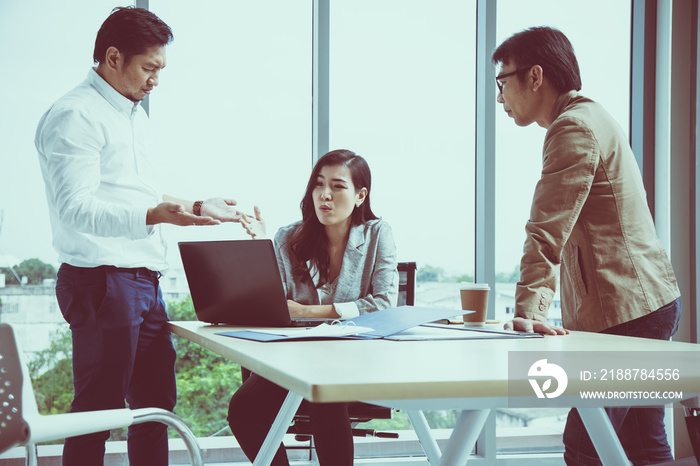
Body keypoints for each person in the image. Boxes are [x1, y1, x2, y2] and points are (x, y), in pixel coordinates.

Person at [35, 7, 243, 466]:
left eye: (160, 70)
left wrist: (192, 206)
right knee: (96, 413)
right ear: (113, 57)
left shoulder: (131, 115)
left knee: (155, 408)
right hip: (102, 280)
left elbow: (136, 195)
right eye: (149, 67)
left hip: (142, 280)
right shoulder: (75, 116)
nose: (155, 80)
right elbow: (76, 208)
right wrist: (155, 214)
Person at [492, 27, 681, 465]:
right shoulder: (591, 116)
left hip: (629, 312)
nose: (500, 98)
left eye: (503, 83)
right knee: (641, 440)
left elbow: (545, 229)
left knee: (586, 444)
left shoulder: (572, 127)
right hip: (645, 304)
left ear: (535, 76)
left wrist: (528, 313)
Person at [227, 149, 398, 465]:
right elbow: (272, 303)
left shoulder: (377, 235)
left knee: (324, 390)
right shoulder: (288, 237)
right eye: (319, 185)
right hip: (296, 355)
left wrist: (308, 312)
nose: (325, 195)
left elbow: (384, 304)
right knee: (242, 409)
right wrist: (259, 248)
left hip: (355, 356)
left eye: (337, 186)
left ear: (360, 195)